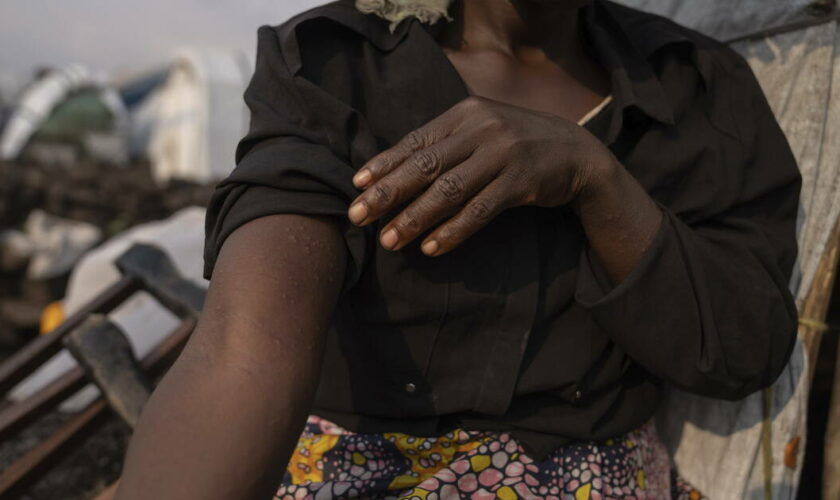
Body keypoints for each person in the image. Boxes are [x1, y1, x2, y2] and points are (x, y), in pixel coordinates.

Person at [115, 0, 801, 498]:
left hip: (593, 481)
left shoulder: (697, 90)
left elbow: (741, 350)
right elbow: (244, 350)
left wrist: (596, 179)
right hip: (347, 473)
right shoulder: (334, 65)